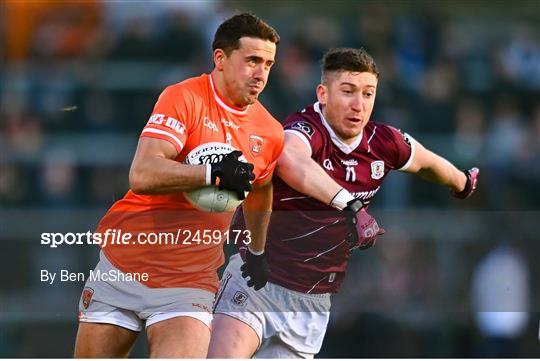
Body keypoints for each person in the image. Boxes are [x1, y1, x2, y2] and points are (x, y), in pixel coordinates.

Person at [209, 47, 479, 358]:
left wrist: (461, 182)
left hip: (311, 302)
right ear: (322, 93)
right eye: (348, 91)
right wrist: (350, 205)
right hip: (256, 280)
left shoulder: (382, 142)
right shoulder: (305, 128)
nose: (358, 104)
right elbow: (288, 158)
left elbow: (426, 162)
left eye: (368, 94)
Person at [74, 13, 284, 358]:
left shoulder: (269, 131)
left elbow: (261, 188)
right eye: (252, 61)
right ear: (220, 58)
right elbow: (142, 174)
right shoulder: (184, 97)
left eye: (268, 64)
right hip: (124, 265)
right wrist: (210, 173)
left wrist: (257, 252)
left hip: (190, 283)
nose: (261, 74)